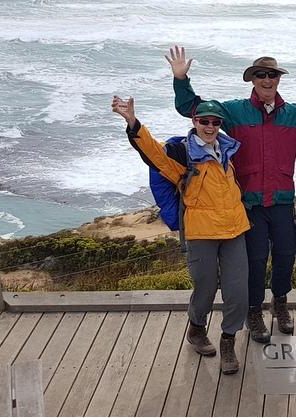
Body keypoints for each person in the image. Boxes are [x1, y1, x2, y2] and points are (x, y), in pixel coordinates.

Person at [164, 42, 296, 344]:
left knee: (286, 256)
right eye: (261, 75)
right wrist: (181, 79)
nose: (267, 80)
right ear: (252, 80)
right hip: (249, 203)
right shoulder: (234, 111)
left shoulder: (294, 115)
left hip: (283, 200)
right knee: (256, 259)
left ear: (278, 79)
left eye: (272, 75)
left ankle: (280, 303)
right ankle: (254, 310)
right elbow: (193, 109)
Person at [112, 96, 247, 375]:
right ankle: (197, 329)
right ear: (194, 122)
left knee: (238, 292)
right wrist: (133, 122)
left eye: (215, 122)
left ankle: (228, 341)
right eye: (204, 121)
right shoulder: (182, 155)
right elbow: (153, 153)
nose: (210, 126)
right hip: (200, 231)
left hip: (235, 228)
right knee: (206, 287)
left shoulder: (229, 150)